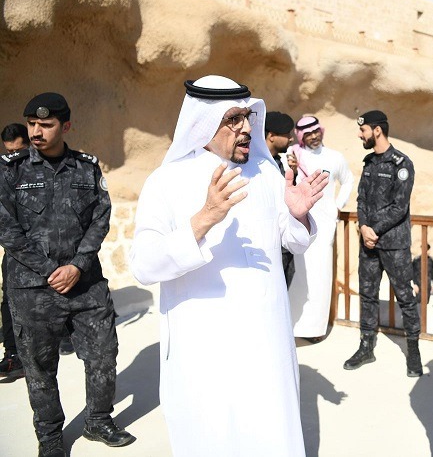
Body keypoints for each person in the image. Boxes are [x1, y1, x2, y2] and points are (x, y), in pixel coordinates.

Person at [130, 75, 328, 457]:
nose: (246, 128)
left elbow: (294, 240)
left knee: (272, 432)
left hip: (268, 341)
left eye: (247, 117)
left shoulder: (266, 173)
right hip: (205, 349)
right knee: (215, 436)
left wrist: (299, 215)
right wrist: (204, 218)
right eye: (233, 119)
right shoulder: (166, 181)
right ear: (203, 123)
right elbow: (143, 264)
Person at [0, 93, 134, 457]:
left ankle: (98, 421)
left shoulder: (86, 168)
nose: (36, 132)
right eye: (32, 124)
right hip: (33, 288)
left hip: (86, 284)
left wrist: (77, 265)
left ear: (66, 126)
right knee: (40, 367)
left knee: (103, 353)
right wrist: (51, 271)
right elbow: (7, 230)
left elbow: (100, 217)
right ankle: (50, 439)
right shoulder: (10, 170)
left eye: (46, 125)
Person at [344, 110, 422, 377]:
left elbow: (400, 207)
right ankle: (366, 346)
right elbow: (361, 199)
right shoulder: (369, 162)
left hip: (394, 245)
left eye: (363, 130)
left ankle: (413, 351)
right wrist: (364, 227)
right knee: (367, 295)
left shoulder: (402, 163)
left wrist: (373, 229)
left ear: (377, 130)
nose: (360, 135)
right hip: (369, 245)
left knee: (405, 297)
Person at [288, 115, 354, 342]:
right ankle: (293, 325)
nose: (313, 136)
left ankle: (315, 329)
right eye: (308, 134)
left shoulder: (335, 157)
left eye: (316, 132)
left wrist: (337, 205)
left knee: (321, 276)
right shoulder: (293, 155)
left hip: (325, 225)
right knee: (300, 275)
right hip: (299, 222)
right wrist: (292, 169)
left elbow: (348, 180)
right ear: (301, 136)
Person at [0, 123, 29, 378]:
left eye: (19, 151)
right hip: (13, 249)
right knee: (9, 300)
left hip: (45, 247)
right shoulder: (3, 169)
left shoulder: (45, 167)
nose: (14, 157)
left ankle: (65, 336)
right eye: (9, 152)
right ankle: (12, 355)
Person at [265, 111, 298, 286]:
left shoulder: (279, 162)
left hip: (283, 244)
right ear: (271, 136)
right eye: (287, 134)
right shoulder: (256, 164)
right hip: (267, 246)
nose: (291, 139)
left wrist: (294, 174)